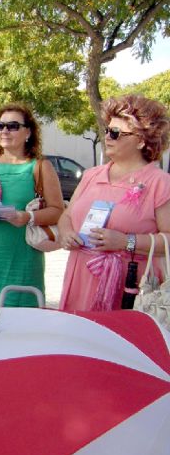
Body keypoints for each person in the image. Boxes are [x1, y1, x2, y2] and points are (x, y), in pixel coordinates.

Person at [59, 94, 170, 312]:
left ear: (140, 140)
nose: (107, 137)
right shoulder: (92, 175)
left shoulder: (159, 183)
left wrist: (126, 242)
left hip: (129, 288)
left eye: (115, 133)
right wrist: (66, 234)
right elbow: (67, 216)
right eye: (107, 131)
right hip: (80, 277)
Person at [0, 103, 64, 314]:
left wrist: (27, 216)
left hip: (24, 260)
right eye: (0, 125)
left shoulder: (40, 167)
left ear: (28, 132)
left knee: (20, 324)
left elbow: (58, 210)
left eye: (12, 126)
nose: (4, 131)